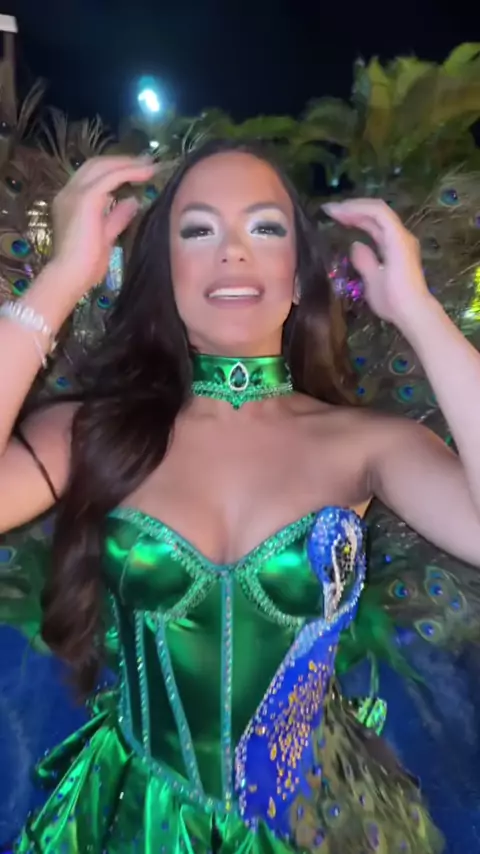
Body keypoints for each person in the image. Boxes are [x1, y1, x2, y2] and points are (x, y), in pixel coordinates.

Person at [1, 139, 480, 854]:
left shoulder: (370, 446)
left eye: (265, 227)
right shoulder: (90, 433)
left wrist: (417, 311)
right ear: (164, 275)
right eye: (198, 230)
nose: (232, 250)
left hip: (320, 825)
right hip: (135, 824)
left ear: (299, 277)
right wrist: (63, 278)